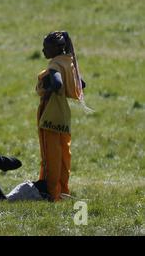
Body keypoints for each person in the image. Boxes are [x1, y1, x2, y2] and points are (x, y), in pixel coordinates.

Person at [36, 31, 88, 201]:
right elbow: (81, 83)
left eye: (46, 48)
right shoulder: (68, 62)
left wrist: (50, 89)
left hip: (50, 112)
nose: (43, 51)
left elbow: (58, 83)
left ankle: (51, 194)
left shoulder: (54, 66)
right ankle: (63, 190)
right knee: (64, 155)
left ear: (55, 49)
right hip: (64, 115)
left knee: (50, 157)